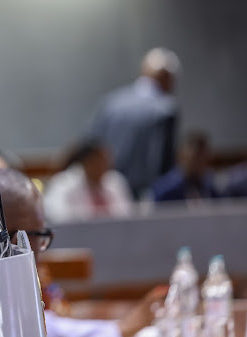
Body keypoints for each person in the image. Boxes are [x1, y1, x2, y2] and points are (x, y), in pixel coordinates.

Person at [0, 168, 166, 337]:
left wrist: (119, 328)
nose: (40, 249)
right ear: (16, 241)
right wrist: (121, 328)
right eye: (39, 235)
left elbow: (49, 324)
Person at [90, 47, 180, 198]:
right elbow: (162, 163)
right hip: (144, 194)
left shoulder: (111, 102)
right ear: (167, 78)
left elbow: (93, 145)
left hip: (109, 193)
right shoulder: (165, 110)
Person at [43, 138, 134, 224]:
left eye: (105, 162)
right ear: (86, 163)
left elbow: (128, 214)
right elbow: (54, 215)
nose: (102, 167)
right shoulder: (63, 183)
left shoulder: (115, 181)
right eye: (97, 163)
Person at [151, 130, 219, 202]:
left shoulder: (212, 187)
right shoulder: (164, 190)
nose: (198, 165)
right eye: (194, 160)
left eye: (203, 160)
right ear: (181, 156)